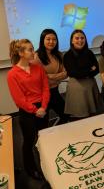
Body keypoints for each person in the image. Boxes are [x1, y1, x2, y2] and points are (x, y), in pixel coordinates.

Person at [7, 39, 50, 179]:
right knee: (29, 141)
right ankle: (30, 169)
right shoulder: (12, 74)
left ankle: (48, 165)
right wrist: (35, 110)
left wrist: (43, 107)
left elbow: (45, 88)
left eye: (33, 49)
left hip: (42, 109)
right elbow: (19, 99)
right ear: (20, 53)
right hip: (28, 112)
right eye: (30, 49)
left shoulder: (38, 68)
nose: (33, 52)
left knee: (43, 138)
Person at [63, 29, 104, 120]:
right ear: (72, 41)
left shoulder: (89, 52)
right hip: (77, 89)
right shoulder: (68, 55)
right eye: (77, 38)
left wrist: (84, 71)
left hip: (91, 86)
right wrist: (90, 69)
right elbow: (74, 73)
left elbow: (97, 68)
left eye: (82, 38)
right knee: (80, 118)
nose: (80, 40)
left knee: (94, 116)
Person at [34, 29, 68, 124]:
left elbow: (65, 74)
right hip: (42, 95)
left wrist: (50, 76)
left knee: (66, 115)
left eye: (54, 39)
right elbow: (40, 79)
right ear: (42, 40)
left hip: (55, 92)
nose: (51, 42)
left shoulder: (59, 55)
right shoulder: (36, 56)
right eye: (48, 39)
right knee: (43, 123)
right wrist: (57, 77)